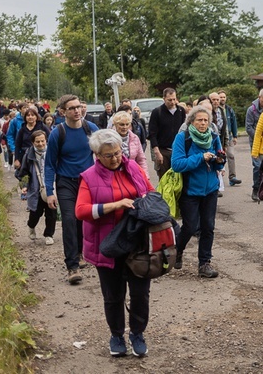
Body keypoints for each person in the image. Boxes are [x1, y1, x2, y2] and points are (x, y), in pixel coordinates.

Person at [75, 129, 156, 357]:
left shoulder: (133, 168)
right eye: (109, 155)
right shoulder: (88, 177)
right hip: (107, 246)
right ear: (97, 155)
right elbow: (80, 211)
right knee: (113, 295)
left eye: (118, 153)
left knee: (141, 293)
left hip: (136, 242)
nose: (115, 158)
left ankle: (137, 333)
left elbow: (150, 192)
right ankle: (117, 335)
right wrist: (115, 205)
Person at [45, 94, 100, 284]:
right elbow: (50, 164)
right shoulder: (57, 133)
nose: (77, 111)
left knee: (82, 220)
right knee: (69, 219)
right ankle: (72, 267)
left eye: (78, 107)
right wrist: (50, 192)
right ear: (62, 112)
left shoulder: (91, 129)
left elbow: (102, 155)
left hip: (87, 183)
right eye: (72, 108)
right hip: (65, 182)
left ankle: (79, 252)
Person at [171, 106, 225, 278]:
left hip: (210, 189)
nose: (203, 123)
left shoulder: (214, 137)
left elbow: (218, 164)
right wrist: (200, 158)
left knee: (208, 227)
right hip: (190, 191)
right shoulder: (183, 138)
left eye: (206, 120)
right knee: (190, 227)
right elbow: (177, 164)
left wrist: (220, 161)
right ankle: (178, 250)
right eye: (199, 120)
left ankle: (204, 263)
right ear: (191, 121)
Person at [15, 130, 56, 245]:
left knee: (51, 213)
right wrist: (24, 186)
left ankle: (49, 234)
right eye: (37, 141)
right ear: (33, 142)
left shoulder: (52, 152)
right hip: (35, 188)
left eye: (43, 141)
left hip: (50, 188)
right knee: (35, 213)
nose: (41, 144)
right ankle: (31, 226)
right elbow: (23, 172)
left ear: (46, 140)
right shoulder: (29, 155)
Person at [148, 88, 186, 180]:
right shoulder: (157, 112)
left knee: (179, 179)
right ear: (164, 98)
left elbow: (184, 130)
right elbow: (152, 134)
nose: (172, 102)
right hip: (163, 150)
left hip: (178, 150)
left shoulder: (181, 111)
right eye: (169, 100)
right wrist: (157, 152)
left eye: (174, 99)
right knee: (164, 179)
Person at [246, 87, 263, 201]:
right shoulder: (251, 110)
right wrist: (259, 138)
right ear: (259, 98)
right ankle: (256, 189)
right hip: (256, 143)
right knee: (258, 167)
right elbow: (248, 127)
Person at [112, 111, 148, 175]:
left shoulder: (135, 138)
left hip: (131, 174)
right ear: (115, 124)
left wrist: (145, 176)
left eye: (127, 124)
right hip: (114, 175)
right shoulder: (108, 139)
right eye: (121, 124)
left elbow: (141, 159)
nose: (125, 127)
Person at [218, 90, 241, 187]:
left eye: (224, 97)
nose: (222, 99)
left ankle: (232, 177)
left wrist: (235, 135)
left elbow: (234, 122)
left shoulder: (229, 109)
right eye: (221, 97)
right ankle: (218, 180)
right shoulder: (215, 110)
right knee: (219, 157)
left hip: (229, 137)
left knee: (231, 155)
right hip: (219, 138)